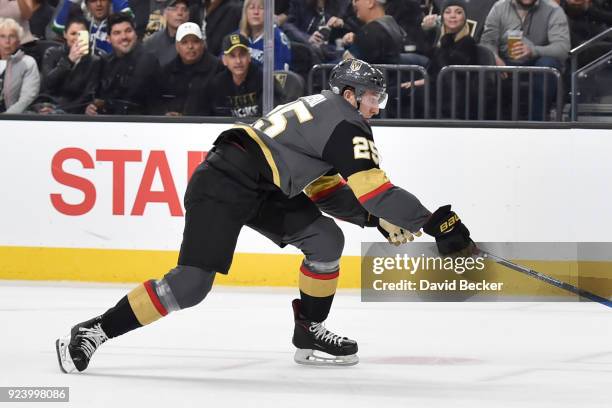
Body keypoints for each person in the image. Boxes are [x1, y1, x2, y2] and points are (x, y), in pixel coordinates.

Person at [55, 57, 473, 371]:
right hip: (226, 179)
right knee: (191, 285)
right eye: (371, 98)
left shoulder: (325, 111)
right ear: (349, 95)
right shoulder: (347, 124)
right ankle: (95, 329)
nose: (376, 107)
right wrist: (435, 223)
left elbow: (327, 191)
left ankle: (308, 329)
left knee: (325, 240)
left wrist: (374, 220)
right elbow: (376, 191)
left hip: (262, 181)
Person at [479, 0, 571, 120]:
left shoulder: (553, 10)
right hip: (505, 62)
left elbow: (562, 48)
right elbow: (487, 42)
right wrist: (495, 58)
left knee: (547, 64)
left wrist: (533, 51)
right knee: (488, 62)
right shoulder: (499, 7)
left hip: (538, 63)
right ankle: (493, 123)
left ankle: (537, 123)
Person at [403, 0, 478, 118]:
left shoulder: (468, 42)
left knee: (421, 95)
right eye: (448, 12)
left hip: (456, 103)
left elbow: (449, 70)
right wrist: (426, 31)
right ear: (442, 17)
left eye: (458, 12)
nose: (453, 15)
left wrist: (444, 41)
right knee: (405, 92)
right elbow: (434, 65)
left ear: (464, 18)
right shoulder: (442, 40)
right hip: (440, 92)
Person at [85, 12, 160, 115]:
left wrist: (105, 104)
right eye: (117, 33)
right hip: (107, 125)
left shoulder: (148, 61)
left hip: (140, 124)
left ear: (135, 34)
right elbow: (94, 97)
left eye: (128, 31)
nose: (124, 37)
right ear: (108, 39)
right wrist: (91, 108)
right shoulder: (104, 62)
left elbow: (130, 97)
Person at [156, 22, 223, 115]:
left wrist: (186, 118)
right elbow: (157, 103)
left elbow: (219, 107)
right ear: (177, 46)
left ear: (202, 44)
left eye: (195, 41)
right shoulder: (167, 71)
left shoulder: (218, 68)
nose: (190, 46)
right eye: (184, 42)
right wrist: (165, 114)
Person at [40, 15, 101, 113]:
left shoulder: (94, 61)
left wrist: (62, 111)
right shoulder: (52, 53)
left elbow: (88, 95)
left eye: (80, 34)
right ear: (65, 34)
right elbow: (47, 85)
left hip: (74, 112)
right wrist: (69, 60)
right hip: (49, 107)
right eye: (73, 33)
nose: (77, 38)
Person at [210, 33, 279, 118]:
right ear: (224, 60)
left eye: (242, 55)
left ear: (249, 57)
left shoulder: (265, 80)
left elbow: (273, 116)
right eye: (232, 56)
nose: (238, 61)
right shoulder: (218, 84)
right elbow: (218, 118)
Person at [52, 0, 131, 56]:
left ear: (110, 2)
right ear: (87, 5)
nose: (99, 4)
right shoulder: (84, 26)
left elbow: (128, 17)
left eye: (103, 0)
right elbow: (58, 27)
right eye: (93, 1)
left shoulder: (117, 27)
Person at [282, 0, 351, 62]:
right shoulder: (299, 2)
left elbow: (354, 30)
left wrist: (341, 25)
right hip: (307, 52)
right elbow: (288, 26)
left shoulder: (343, 3)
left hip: (333, 52)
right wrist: (307, 38)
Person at [341, 0, 405, 64]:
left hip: (380, 73)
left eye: (356, 0)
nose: (354, 4)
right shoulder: (393, 25)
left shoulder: (370, 31)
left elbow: (348, 62)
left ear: (370, 2)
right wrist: (356, 39)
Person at [237, 0, 292, 71]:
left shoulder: (278, 39)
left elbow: (280, 77)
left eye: (261, 8)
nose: (256, 12)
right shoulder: (237, 36)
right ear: (245, 12)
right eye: (251, 8)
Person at [0, 17, 40, 113]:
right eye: (2, 36)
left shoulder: (28, 63)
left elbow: (27, 98)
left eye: (12, 36)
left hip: (14, 119)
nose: (7, 41)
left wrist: (6, 117)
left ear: (18, 41)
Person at [142, 0, 190, 66]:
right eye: (174, 9)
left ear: (188, 15)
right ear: (165, 13)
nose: (180, 13)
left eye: (184, 9)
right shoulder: (152, 42)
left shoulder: (195, 42)